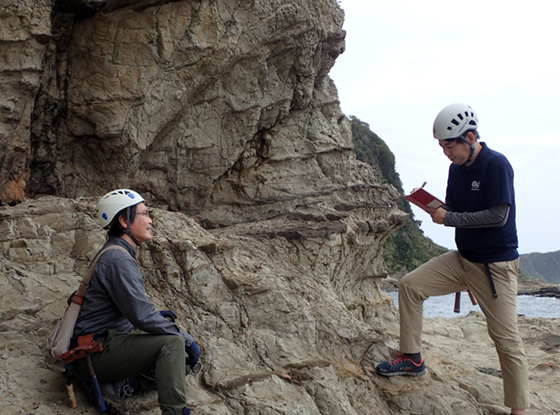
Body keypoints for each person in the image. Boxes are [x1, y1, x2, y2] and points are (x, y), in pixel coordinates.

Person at [376, 104, 529, 415]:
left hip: (494, 268)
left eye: (449, 146)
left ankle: (519, 410)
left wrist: (449, 218)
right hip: (463, 260)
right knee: (410, 285)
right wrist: (434, 208)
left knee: (507, 341)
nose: (446, 153)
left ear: (470, 137)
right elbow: (457, 211)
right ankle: (412, 357)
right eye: (442, 147)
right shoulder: (456, 169)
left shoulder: (496, 164)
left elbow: (499, 216)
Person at [71, 189, 200, 415]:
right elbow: (140, 315)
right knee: (173, 345)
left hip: (105, 345)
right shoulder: (118, 258)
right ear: (123, 220)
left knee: (179, 355)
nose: (150, 220)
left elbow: (136, 311)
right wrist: (184, 337)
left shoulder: (118, 252)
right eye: (144, 214)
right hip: (95, 352)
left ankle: (122, 386)